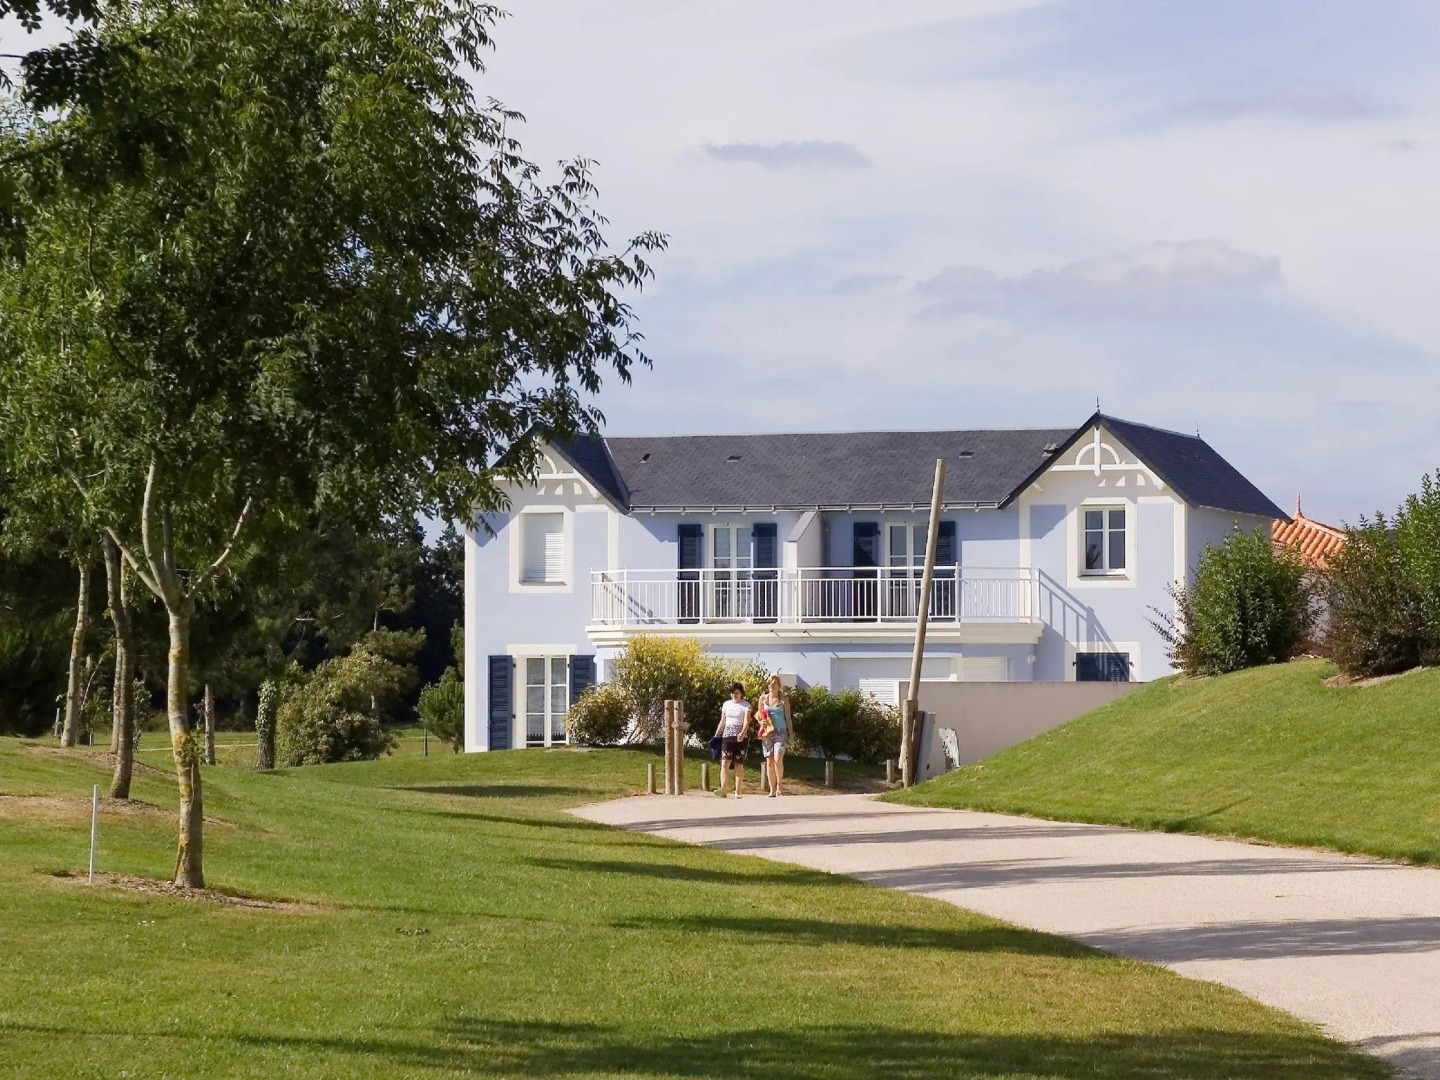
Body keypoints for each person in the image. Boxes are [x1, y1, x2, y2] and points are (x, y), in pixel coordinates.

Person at [714, 682, 751, 797]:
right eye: (733, 693)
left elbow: (747, 721)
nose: (734, 695)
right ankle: (723, 789)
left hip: (740, 737)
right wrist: (717, 734)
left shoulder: (745, 705)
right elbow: (723, 720)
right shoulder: (726, 705)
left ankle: (738, 791)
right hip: (727, 735)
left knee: (738, 764)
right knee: (725, 761)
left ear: (741, 694)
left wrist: (743, 732)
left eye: (737, 693)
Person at [757, 674, 791, 798]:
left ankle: (780, 786)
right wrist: (762, 722)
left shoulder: (784, 699)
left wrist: (791, 734)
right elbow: (759, 715)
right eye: (770, 684)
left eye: (774, 684)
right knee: (769, 761)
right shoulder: (763, 698)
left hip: (780, 731)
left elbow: (788, 718)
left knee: (778, 759)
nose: (772, 686)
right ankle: (772, 789)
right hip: (767, 732)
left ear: (778, 686)